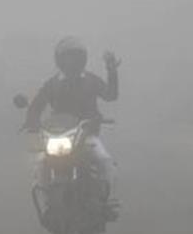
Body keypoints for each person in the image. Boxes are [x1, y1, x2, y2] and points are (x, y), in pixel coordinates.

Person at [23, 37, 120, 216]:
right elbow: (36, 105)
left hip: (87, 136)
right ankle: (46, 204)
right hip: (59, 136)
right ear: (60, 60)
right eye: (67, 57)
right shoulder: (52, 84)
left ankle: (107, 200)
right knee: (40, 163)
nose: (71, 62)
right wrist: (31, 122)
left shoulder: (91, 80)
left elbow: (111, 95)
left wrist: (111, 70)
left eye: (75, 57)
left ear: (82, 58)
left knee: (104, 161)